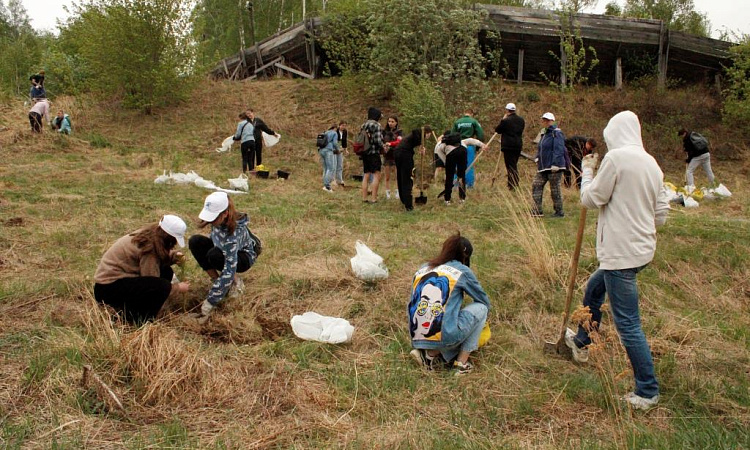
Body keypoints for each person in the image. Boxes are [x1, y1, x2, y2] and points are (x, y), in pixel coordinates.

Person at [566, 111, 670, 411]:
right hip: (641, 251)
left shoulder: (616, 159)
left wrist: (587, 171)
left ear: (614, 133)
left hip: (620, 254)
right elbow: (661, 214)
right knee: (594, 289)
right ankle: (583, 341)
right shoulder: (651, 163)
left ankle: (647, 391)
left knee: (628, 324)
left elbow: (590, 199)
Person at [408, 233, 491, 375]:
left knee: (445, 322)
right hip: (443, 335)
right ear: (465, 257)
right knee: (481, 309)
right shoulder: (462, 270)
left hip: (416, 336)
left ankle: (429, 354)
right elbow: (484, 301)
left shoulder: (423, 268)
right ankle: (461, 364)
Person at [93, 215, 190, 323]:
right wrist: (177, 288)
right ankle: (136, 318)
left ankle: (136, 311)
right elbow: (154, 283)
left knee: (166, 271)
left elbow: (159, 256)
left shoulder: (150, 235)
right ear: (169, 238)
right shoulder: (149, 249)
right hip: (108, 290)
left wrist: (173, 256)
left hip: (108, 286)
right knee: (162, 285)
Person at [188, 192, 260, 324]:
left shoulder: (234, 233)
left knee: (214, 255)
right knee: (195, 241)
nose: (210, 221)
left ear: (225, 213)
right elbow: (216, 238)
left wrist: (210, 302)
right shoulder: (218, 220)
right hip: (222, 249)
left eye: (213, 218)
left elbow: (229, 269)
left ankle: (236, 283)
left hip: (244, 256)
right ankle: (218, 281)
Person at [435, 132, 487, 205]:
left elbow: (444, 160)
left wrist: (451, 169)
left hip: (451, 153)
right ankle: (462, 199)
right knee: (462, 176)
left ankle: (447, 200)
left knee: (449, 177)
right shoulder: (461, 141)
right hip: (463, 150)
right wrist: (482, 145)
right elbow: (471, 140)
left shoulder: (439, 146)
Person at [531, 112, 567, 217]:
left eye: (547, 120)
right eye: (544, 120)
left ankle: (559, 212)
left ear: (552, 121)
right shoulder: (543, 133)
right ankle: (537, 211)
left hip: (555, 167)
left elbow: (559, 148)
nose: (545, 122)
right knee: (536, 185)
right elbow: (541, 148)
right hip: (543, 166)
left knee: (554, 189)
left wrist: (555, 164)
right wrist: (537, 157)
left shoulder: (557, 133)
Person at [393, 127, 432, 211]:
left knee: (401, 176)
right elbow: (415, 131)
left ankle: (404, 200)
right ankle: (408, 205)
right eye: (429, 135)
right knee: (408, 178)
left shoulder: (415, 137)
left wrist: (421, 147)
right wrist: (421, 141)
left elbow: (415, 141)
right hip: (404, 154)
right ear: (428, 133)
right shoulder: (419, 133)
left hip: (397, 152)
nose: (428, 137)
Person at [494, 103, 526, 190]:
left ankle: (513, 184)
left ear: (507, 110)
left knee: (510, 166)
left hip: (508, 146)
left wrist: (503, 119)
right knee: (513, 164)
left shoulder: (506, 121)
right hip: (518, 145)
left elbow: (498, 130)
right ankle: (511, 183)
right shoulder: (521, 120)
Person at [451, 109, 484, 188]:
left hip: (458, 146)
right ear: (472, 114)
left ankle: (456, 184)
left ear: (464, 113)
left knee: (457, 165)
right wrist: (478, 147)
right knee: (469, 165)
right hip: (469, 146)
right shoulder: (474, 122)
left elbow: (452, 135)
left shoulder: (457, 122)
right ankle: (468, 185)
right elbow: (480, 135)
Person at [359, 107, 384, 203]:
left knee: (366, 175)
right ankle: (374, 198)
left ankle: (364, 198)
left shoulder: (363, 125)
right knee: (376, 174)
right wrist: (384, 146)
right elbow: (378, 141)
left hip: (365, 153)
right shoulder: (376, 125)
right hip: (374, 153)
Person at [382, 116, 403, 200]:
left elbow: (399, 141)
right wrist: (384, 147)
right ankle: (388, 193)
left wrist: (390, 144)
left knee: (397, 175)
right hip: (387, 156)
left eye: (392, 121)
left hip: (396, 155)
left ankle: (398, 192)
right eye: (389, 121)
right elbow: (381, 141)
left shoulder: (399, 132)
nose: (390, 123)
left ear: (396, 122)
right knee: (387, 176)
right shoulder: (384, 132)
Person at [319, 124, 339, 192]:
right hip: (328, 151)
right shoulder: (334, 133)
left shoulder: (325, 132)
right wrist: (337, 149)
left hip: (322, 151)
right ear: (335, 128)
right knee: (330, 168)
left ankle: (325, 184)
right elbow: (335, 143)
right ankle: (327, 186)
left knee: (325, 168)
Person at [334, 121, 348, 187]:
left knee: (340, 165)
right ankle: (333, 179)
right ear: (339, 125)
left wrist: (346, 150)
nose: (343, 127)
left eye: (345, 125)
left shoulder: (345, 132)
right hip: (334, 149)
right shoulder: (335, 131)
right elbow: (334, 141)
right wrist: (337, 148)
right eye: (342, 125)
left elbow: (344, 141)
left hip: (341, 149)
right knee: (334, 164)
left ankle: (339, 180)